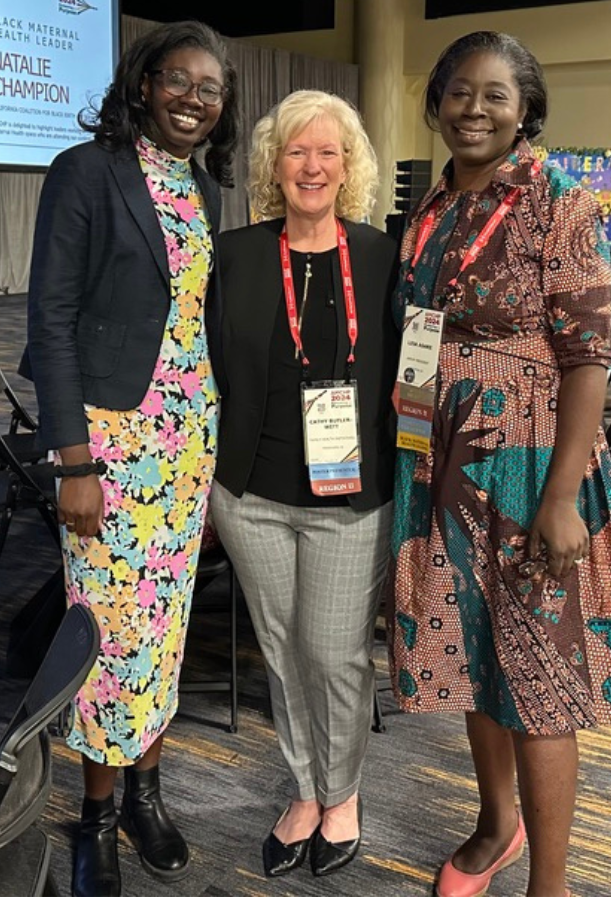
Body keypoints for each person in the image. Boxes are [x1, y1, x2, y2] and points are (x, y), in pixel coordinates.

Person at [388, 30, 611, 898]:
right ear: (437, 103)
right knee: (472, 657)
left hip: (531, 464)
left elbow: (586, 362)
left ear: (526, 109)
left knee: (540, 676)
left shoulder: (560, 204)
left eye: (495, 95)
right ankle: (496, 826)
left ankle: (552, 884)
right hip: (442, 461)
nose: (474, 108)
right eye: (459, 92)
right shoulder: (430, 210)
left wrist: (563, 496)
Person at [19, 20, 239, 897]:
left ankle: (148, 792)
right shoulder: (86, 172)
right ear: (142, 84)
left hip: (188, 447)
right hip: (111, 448)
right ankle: (97, 815)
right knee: (110, 636)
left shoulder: (200, 186)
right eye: (177, 81)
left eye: (210, 89)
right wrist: (74, 460)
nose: (192, 99)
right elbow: (52, 319)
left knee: (165, 629)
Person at [209, 90, 399, 879]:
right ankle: (306, 791)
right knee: (283, 653)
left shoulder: (386, 257)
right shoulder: (237, 255)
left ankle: (344, 789)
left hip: (351, 497)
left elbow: (413, 372)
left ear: (348, 167)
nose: (312, 165)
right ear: (273, 166)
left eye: (328, 152)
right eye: (296, 151)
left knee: (336, 655)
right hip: (252, 493)